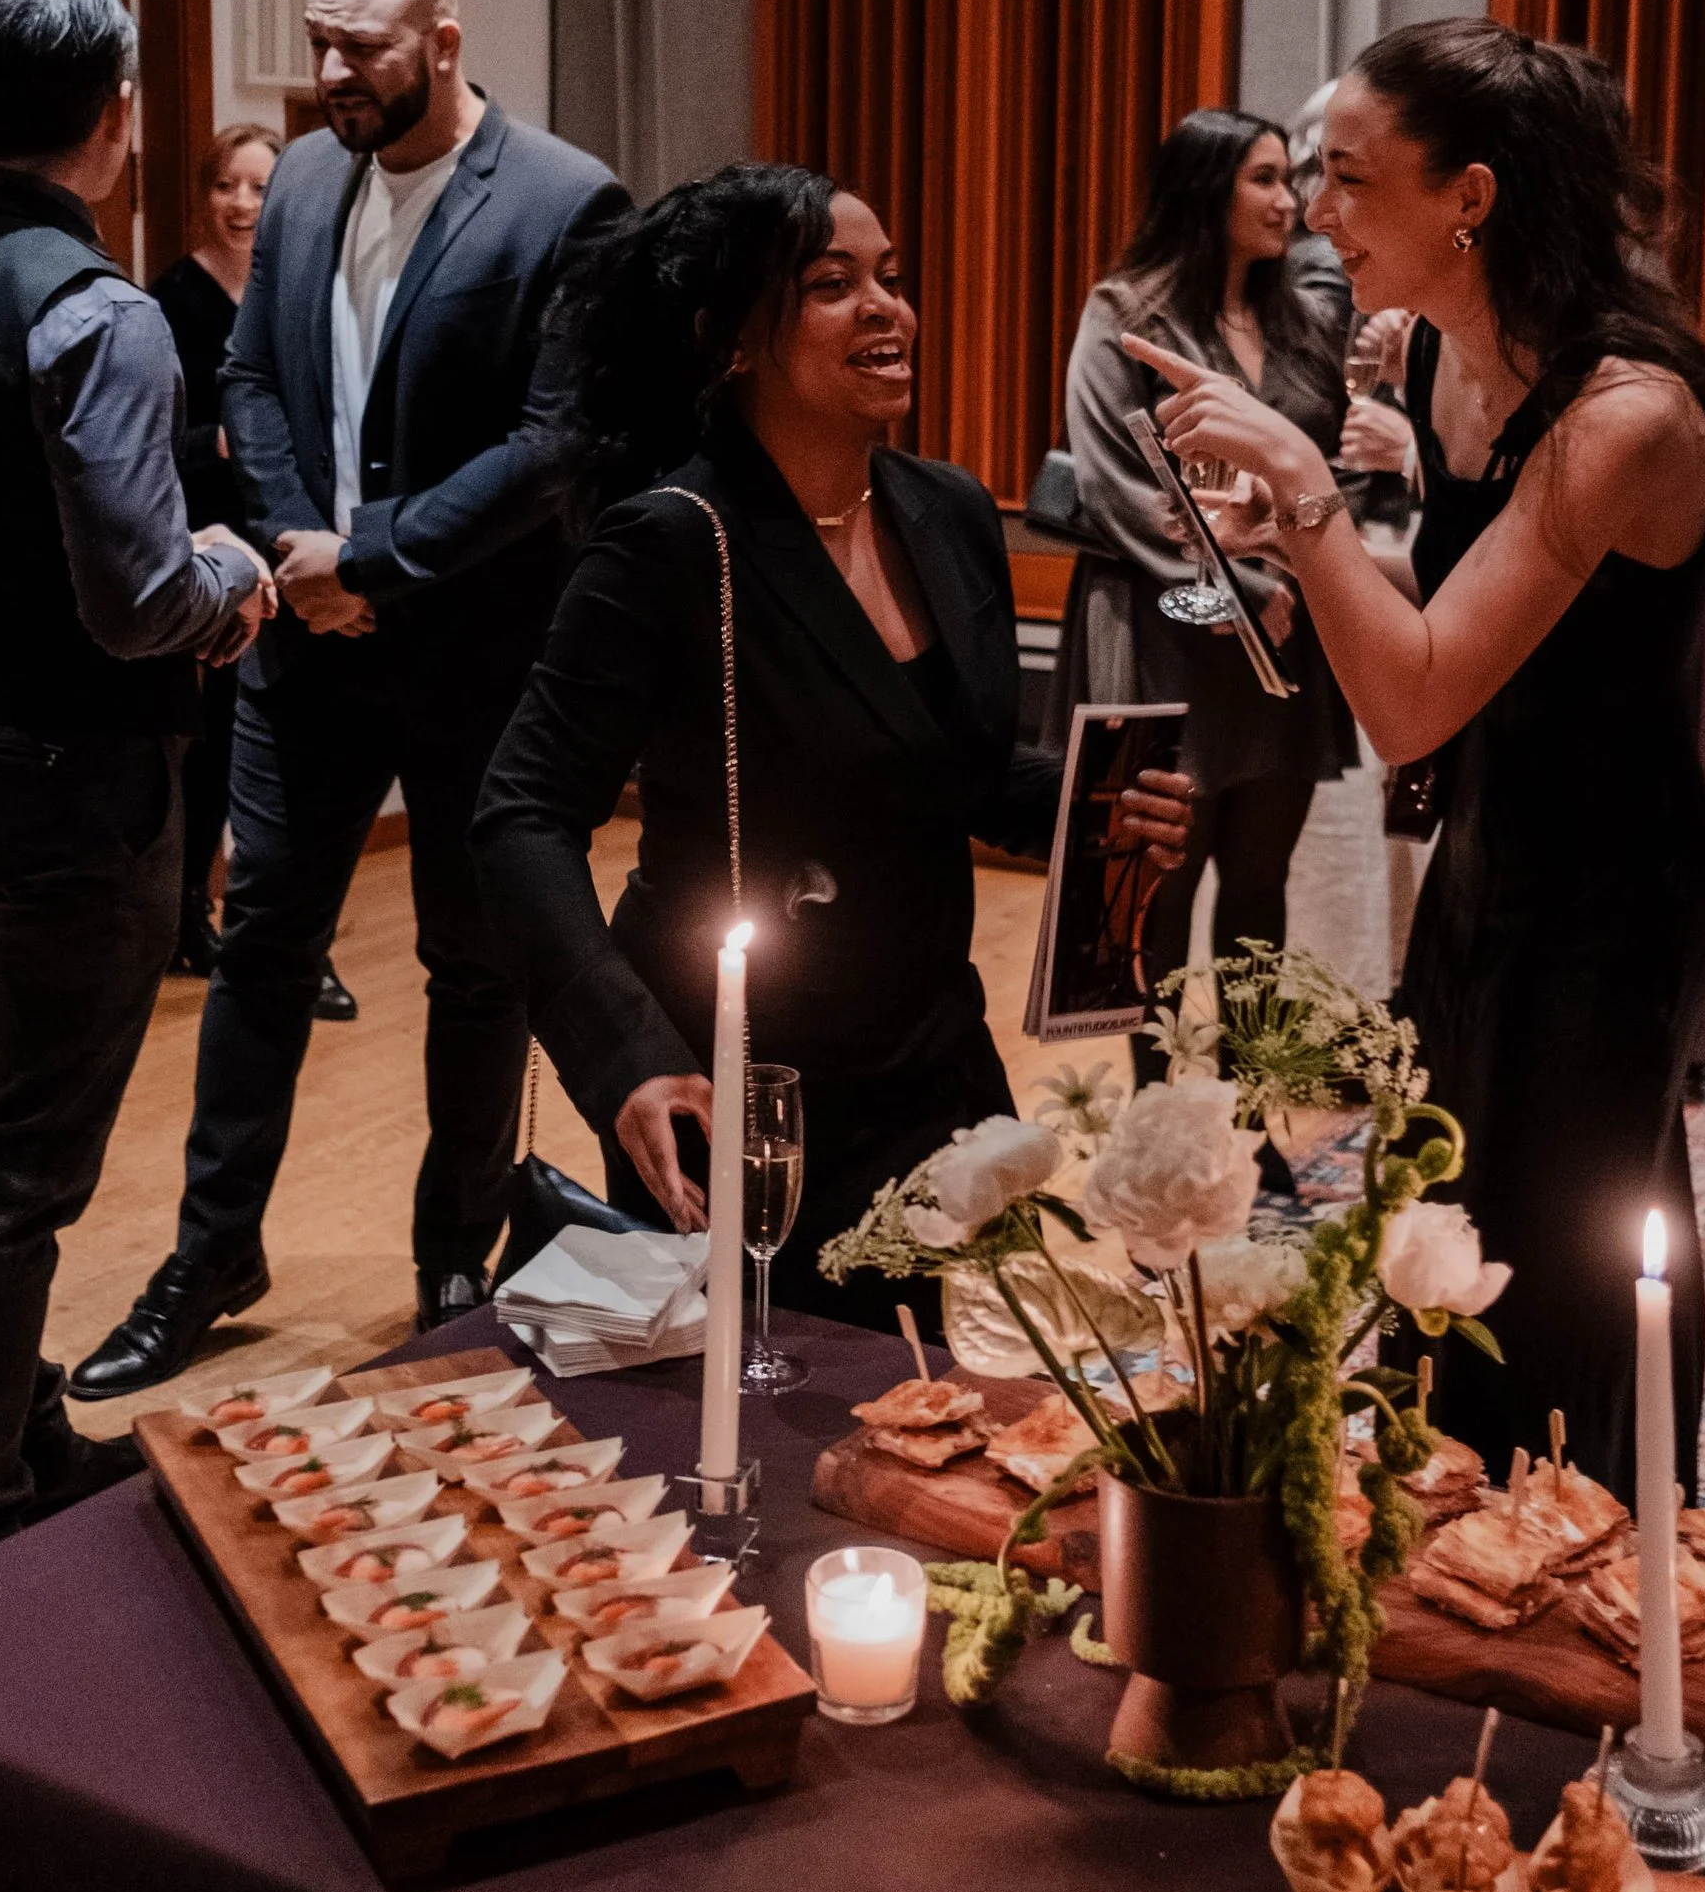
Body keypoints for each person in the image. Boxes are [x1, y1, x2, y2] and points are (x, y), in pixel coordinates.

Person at [1129, 21, 1705, 1503]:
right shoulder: (1460, 361)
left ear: (1469, 195)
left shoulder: (1624, 412)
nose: (1318, 213)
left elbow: (1415, 705)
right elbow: (1436, 632)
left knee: (1558, 1260)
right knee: (1437, 1215)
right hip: (1493, 851)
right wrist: (1296, 541)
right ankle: (1437, 1526)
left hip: (1611, 894)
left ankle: (1581, 1549)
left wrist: (1304, 484)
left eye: (1347, 177)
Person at [472, 165, 1191, 1324]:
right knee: (742, 1429)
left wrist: (1086, 808)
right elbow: (519, 815)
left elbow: (939, 769)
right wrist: (626, 1058)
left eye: (892, 280)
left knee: (910, 1405)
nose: (886, 308)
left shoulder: (948, 510)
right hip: (736, 1077)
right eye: (831, 283)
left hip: (928, 1056)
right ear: (733, 340)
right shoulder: (669, 542)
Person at [71, 0, 627, 1393]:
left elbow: (556, 444)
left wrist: (370, 555)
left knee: (474, 965)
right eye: (318, 44)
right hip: (304, 650)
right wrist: (289, 546)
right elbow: (249, 375)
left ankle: (453, 1252)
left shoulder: (568, 201)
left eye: (361, 50)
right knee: (261, 948)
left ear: (443, 44)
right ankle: (213, 1249)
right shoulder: (308, 178)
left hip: (472, 655)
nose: (329, 79)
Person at [0, 0, 274, 1580]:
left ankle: (11, 1420)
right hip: (74, 771)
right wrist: (235, 580)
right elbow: (134, 603)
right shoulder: (99, 315)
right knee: (19, 1156)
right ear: (117, 119)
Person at [1055, 110, 1358, 1056]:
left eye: (1289, 179)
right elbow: (1113, 479)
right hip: (1165, 627)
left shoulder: (1303, 318)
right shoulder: (1127, 314)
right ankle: (1156, 1118)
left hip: (1285, 629)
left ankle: (1253, 1101)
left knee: (1260, 886)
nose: (1290, 201)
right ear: (1207, 189)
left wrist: (1306, 566)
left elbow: (1336, 461)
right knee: (1158, 889)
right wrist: (1224, 581)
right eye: (1266, 180)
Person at [151, 122, 358, 1021]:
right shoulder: (169, 300)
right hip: (210, 550)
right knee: (214, 748)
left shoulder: (305, 292)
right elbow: (147, 443)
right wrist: (221, 442)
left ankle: (289, 937)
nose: (242, 204)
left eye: (259, 188)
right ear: (206, 194)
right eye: (227, 185)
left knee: (307, 754)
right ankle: (191, 919)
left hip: (297, 545)